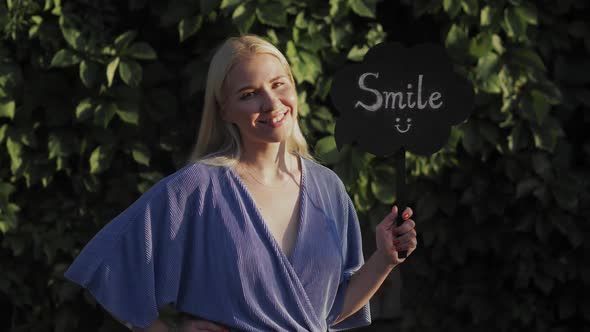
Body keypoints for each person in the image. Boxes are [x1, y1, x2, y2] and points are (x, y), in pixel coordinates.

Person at [64, 35, 417, 332]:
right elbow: (108, 267)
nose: (271, 103)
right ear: (224, 111)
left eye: (279, 84)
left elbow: (328, 313)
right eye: (248, 94)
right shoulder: (199, 187)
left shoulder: (328, 188)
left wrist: (385, 260)